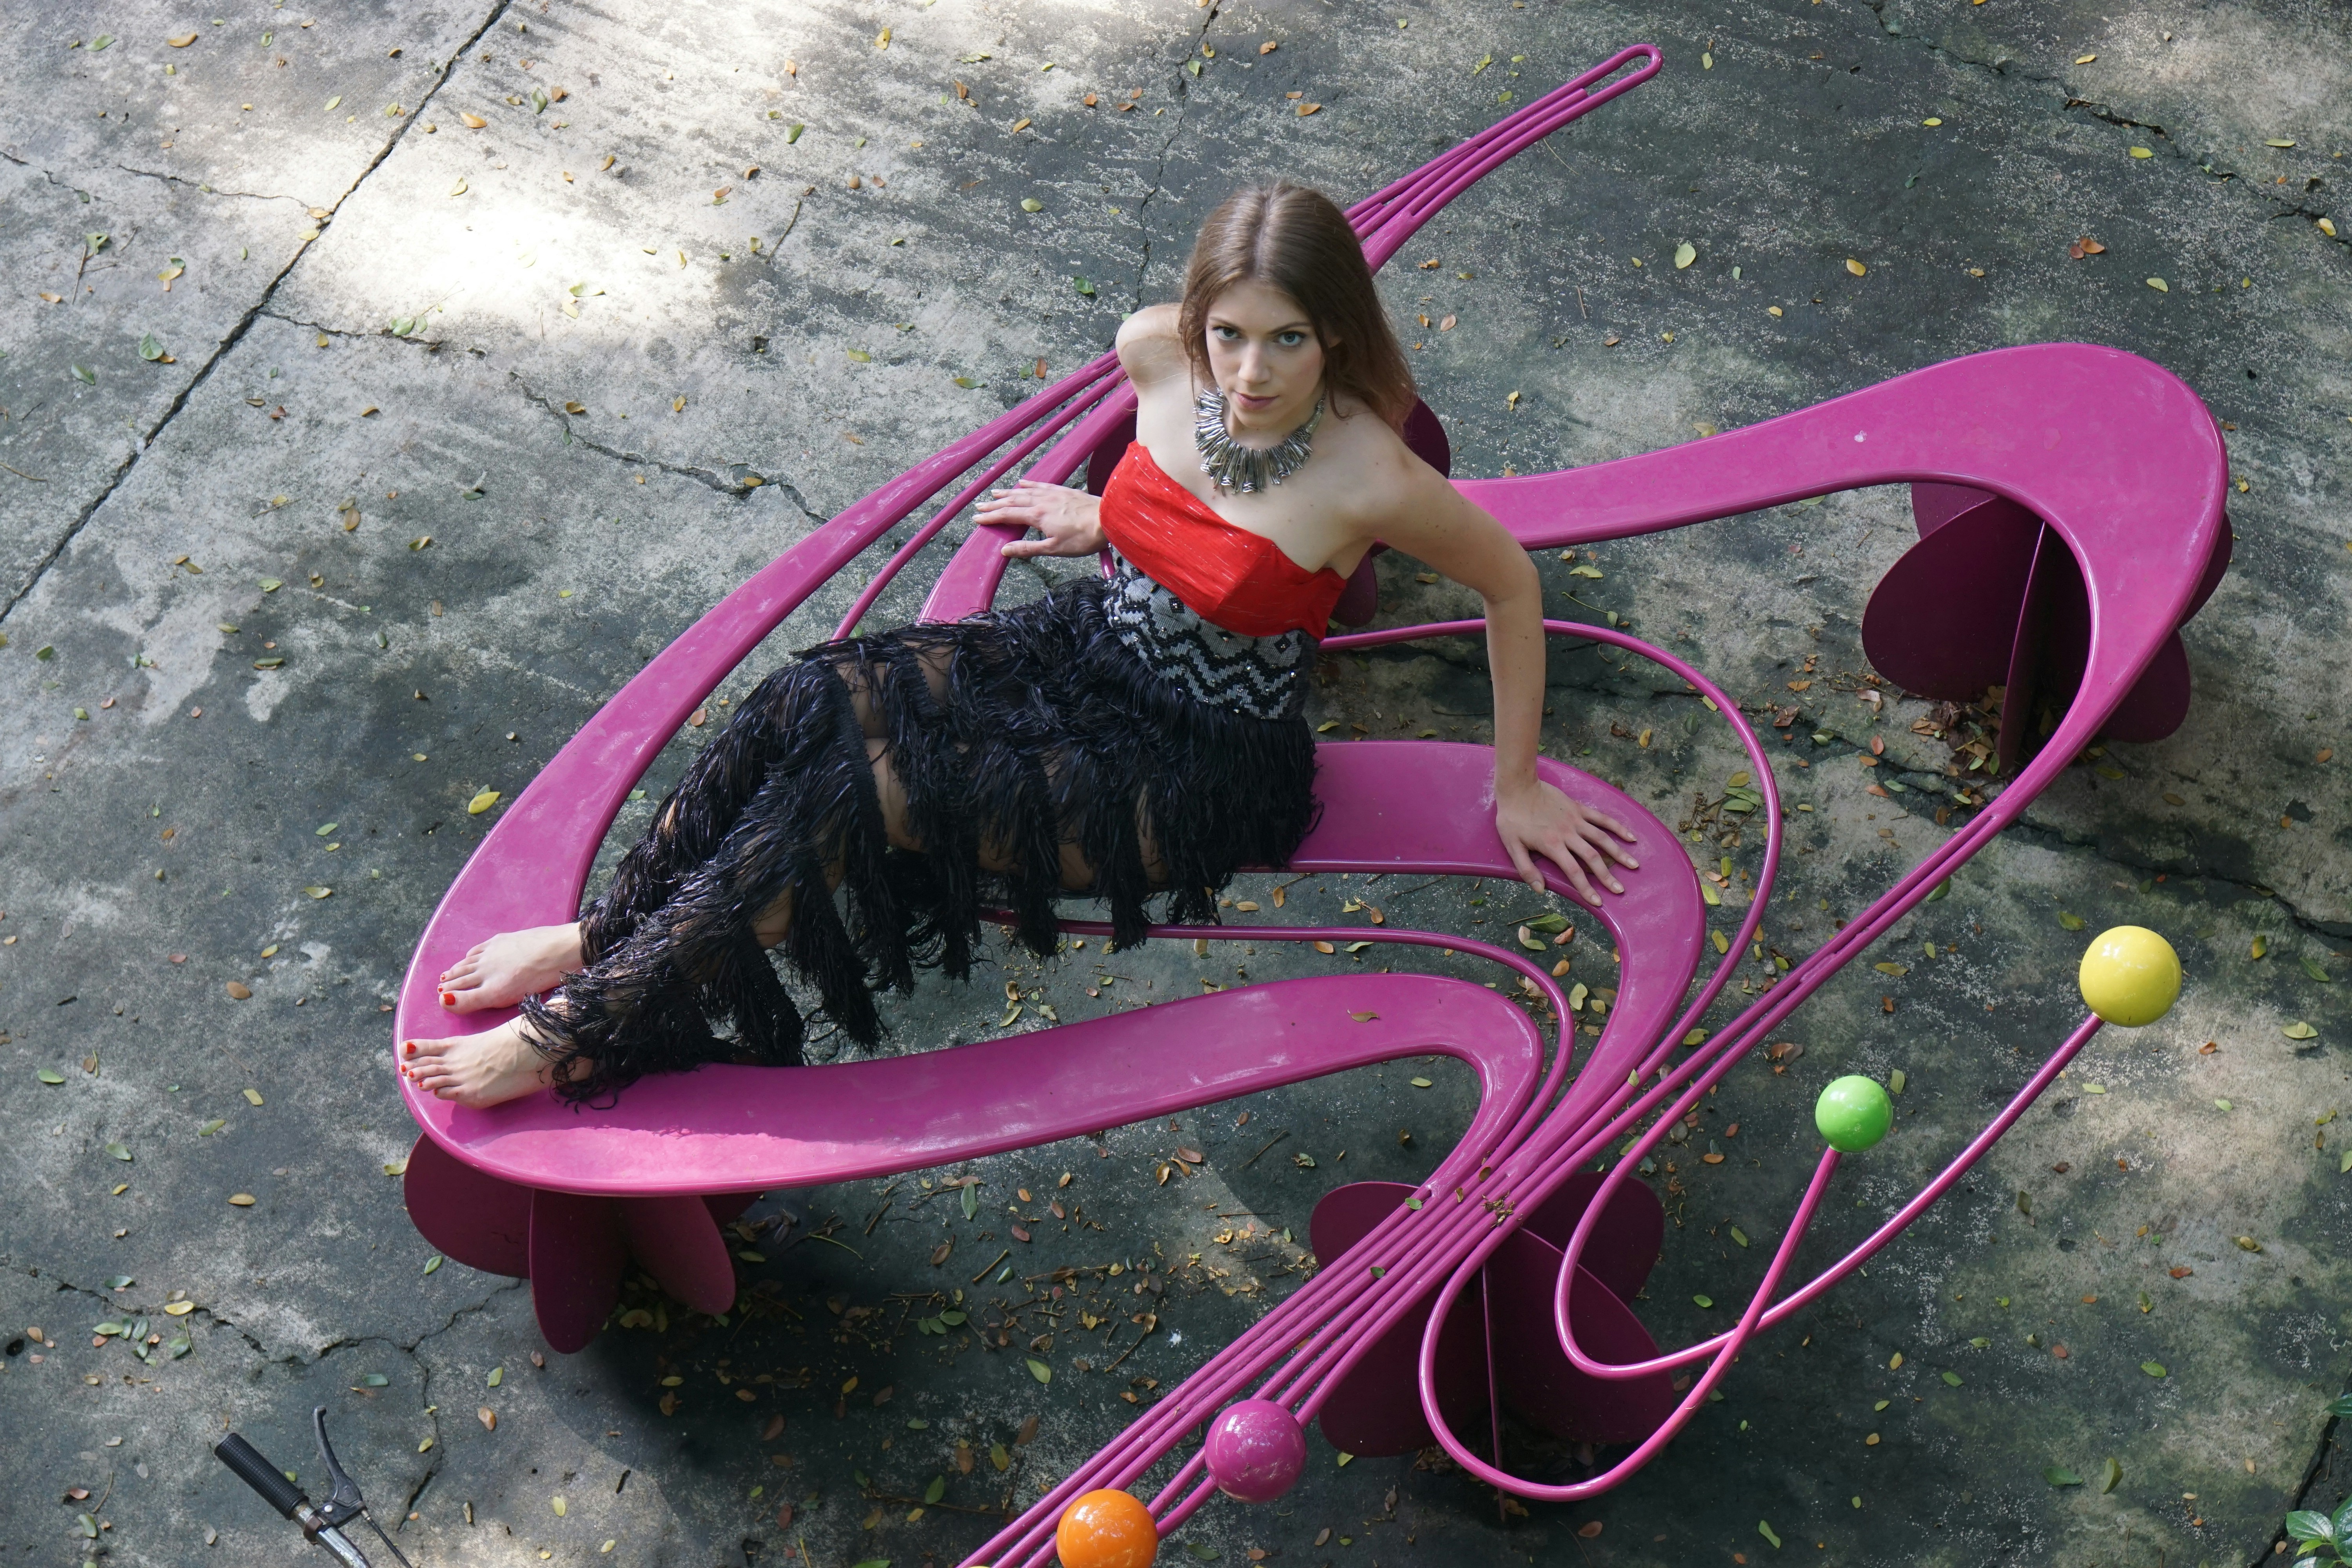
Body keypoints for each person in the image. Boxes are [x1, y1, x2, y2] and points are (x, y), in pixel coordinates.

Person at [401, 181, 1640, 1109]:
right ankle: (615, 934)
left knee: (866, 792)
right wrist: (1112, 519)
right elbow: (1197, 490)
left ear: (1339, 337)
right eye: (1233, 335)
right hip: (1084, 651)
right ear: (1201, 322)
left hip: (1196, 762)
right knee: (805, 700)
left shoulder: (1372, 472)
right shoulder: (1160, 354)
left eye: (1292, 341)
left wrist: (1515, 782)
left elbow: (1512, 590)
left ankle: (590, 1018)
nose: (1252, 372)